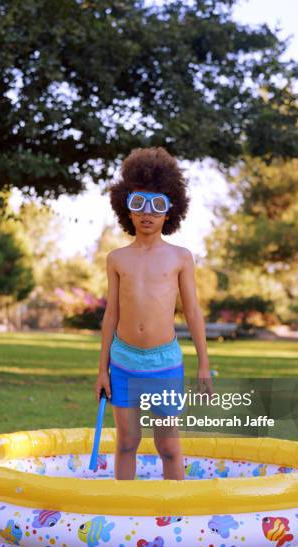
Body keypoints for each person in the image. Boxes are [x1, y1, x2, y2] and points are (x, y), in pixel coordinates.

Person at [95, 146, 212, 480]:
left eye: (157, 204)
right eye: (138, 203)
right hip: (124, 363)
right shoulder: (117, 258)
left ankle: (175, 516)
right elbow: (111, 315)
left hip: (165, 364)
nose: (147, 212)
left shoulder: (180, 257)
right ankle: (122, 515)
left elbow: (192, 310)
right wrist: (102, 369)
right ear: (126, 208)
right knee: (127, 443)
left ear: (169, 211)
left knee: (169, 448)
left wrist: (203, 363)